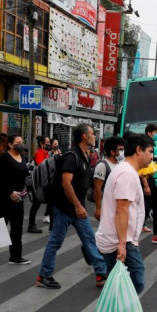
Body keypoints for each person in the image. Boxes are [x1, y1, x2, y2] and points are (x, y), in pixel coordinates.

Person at [85, 133, 154, 312]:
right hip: (117, 240)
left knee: (119, 286)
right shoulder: (126, 174)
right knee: (137, 280)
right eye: (150, 151)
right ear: (139, 150)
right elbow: (122, 210)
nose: (152, 156)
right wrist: (124, 243)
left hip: (119, 238)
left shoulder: (127, 171)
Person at [36, 123, 109, 289]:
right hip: (65, 208)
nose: (94, 136)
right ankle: (44, 275)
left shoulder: (83, 155)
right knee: (55, 242)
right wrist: (77, 206)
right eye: (92, 133)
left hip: (77, 209)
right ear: (84, 136)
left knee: (89, 238)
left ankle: (101, 273)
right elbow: (65, 183)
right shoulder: (72, 156)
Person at [0, 134, 32, 265]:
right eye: (17, 142)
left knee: (17, 228)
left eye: (22, 141)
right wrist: (10, 192)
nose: (21, 144)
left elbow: (25, 175)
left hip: (18, 199)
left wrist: (29, 189)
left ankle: (16, 256)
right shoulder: (3, 157)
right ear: (10, 144)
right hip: (1, 197)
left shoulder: (23, 157)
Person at [92, 136, 125, 221]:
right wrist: (98, 209)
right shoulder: (102, 165)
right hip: (106, 205)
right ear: (112, 152)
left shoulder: (120, 164)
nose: (123, 152)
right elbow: (97, 188)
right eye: (120, 150)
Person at [27, 136, 50, 233]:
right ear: (42, 144)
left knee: (41, 203)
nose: (49, 144)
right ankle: (31, 225)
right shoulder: (39, 153)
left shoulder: (46, 153)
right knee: (36, 204)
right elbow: (42, 167)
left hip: (42, 182)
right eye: (47, 142)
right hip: (37, 183)